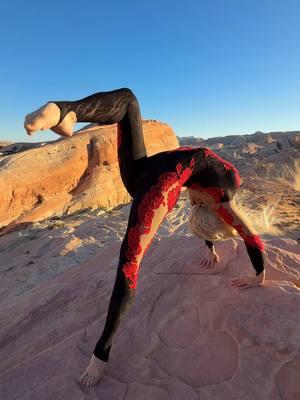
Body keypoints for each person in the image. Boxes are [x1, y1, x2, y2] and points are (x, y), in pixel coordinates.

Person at [24, 88, 265, 386]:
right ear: (214, 210)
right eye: (199, 205)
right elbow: (253, 239)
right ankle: (102, 353)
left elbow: (208, 209)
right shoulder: (224, 206)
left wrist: (211, 247)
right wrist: (259, 277)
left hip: (145, 165)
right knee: (128, 269)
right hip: (154, 187)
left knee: (128, 101)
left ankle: (64, 110)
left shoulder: (226, 183)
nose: (194, 202)